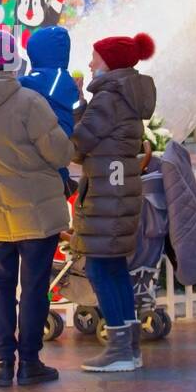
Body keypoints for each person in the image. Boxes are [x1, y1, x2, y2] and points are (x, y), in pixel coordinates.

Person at [0, 30, 74, 387]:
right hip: (35, 216)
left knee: (0, 289)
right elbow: (61, 153)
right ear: (14, 64)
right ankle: (30, 363)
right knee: (34, 287)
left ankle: (3, 363)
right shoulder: (29, 102)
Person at [71, 32, 157, 373]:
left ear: (110, 62)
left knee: (99, 267)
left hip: (107, 193)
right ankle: (129, 346)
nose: (90, 63)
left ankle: (120, 350)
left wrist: (71, 109)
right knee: (113, 265)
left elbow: (79, 144)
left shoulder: (108, 98)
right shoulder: (125, 94)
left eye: (95, 57)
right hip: (118, 192)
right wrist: (82, 104)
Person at [19, 26, 80, 194]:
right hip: (53, 153)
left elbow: (38, 89)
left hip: (40, 157)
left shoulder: (33, 80)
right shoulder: (61, 79)